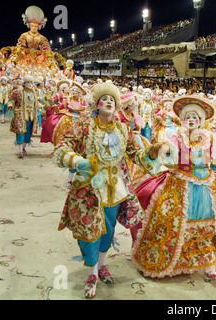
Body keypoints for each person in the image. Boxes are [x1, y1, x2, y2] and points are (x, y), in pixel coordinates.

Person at [53, 81, 166, 298]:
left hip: (115, 191)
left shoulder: (123, 129)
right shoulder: (83, 125)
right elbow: (62, 147)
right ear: (96, 104)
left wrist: (151, 154)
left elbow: (137, 155)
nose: (108, 102)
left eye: (112, 100)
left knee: (109, 230)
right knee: (89, 233)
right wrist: (78, 162)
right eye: (104, 99)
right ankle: (92, 271)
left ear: (117, 105)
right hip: (88, 190)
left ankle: (101, 265)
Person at [131, 95, 216, 281]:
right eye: (188, 116)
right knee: (170, 219)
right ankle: (175, 260)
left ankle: (210, 264)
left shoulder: (210, 138)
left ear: (201, 120)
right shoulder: (176, 136)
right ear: (183, 119)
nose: (192, 120)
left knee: (214, 222)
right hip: (180, 182)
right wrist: (162, 149)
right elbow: (170, 150)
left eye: (196, 116)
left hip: (206, 184)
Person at [8, 75, 40, 158]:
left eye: (31, 82)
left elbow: (36, 101)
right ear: (24, 83)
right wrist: (10, 104)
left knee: (28, 133)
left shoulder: (34, 91)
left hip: (31, 115)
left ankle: (23, 148)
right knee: (20, 132)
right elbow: (11, 99)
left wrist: (40, 105)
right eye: (28, 82)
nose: (29, 84)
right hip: (20, 114)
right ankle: (20, 150)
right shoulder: (18, 91)